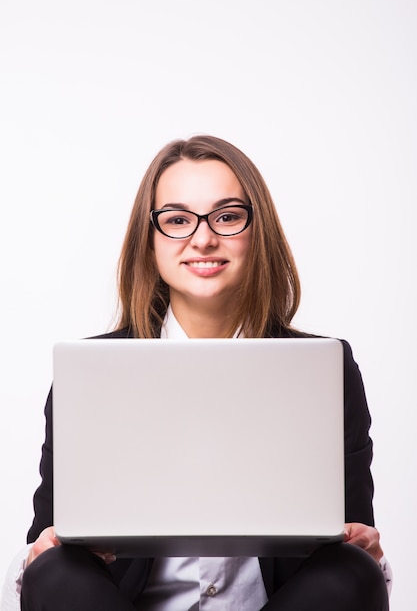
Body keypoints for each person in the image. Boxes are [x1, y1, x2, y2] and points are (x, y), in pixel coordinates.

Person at [12, 135, 391, 609]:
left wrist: (365, 549)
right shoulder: (91, 374)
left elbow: (351, 543)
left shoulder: (324, 369)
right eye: (176, 220)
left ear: (259, 232)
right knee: (56, 570)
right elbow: (47, 546)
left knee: (350, 571)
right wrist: (43, 551)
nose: (203, 238)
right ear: (149, 242)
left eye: (228, 217)